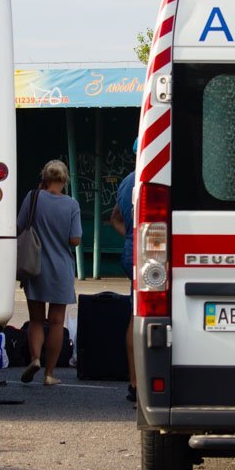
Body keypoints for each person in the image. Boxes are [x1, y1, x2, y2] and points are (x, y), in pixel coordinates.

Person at [17, 160, 82, 386]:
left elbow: (19, 225)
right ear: (65, 179)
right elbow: (75, 239)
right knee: (56, 322)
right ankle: (49, 374)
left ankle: (35, 358)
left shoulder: (32, 197)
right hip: (61, 269)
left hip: (34, 266)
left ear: (44, 177)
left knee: (36, 320)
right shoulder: (72, 204)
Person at [109, 147, 137, 403]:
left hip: (131, 250)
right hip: (152, 251)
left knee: (136, 314)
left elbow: (115, 218)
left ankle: (134, 382)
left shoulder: (127, 181)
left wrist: (131, 234)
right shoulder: (156, 177)